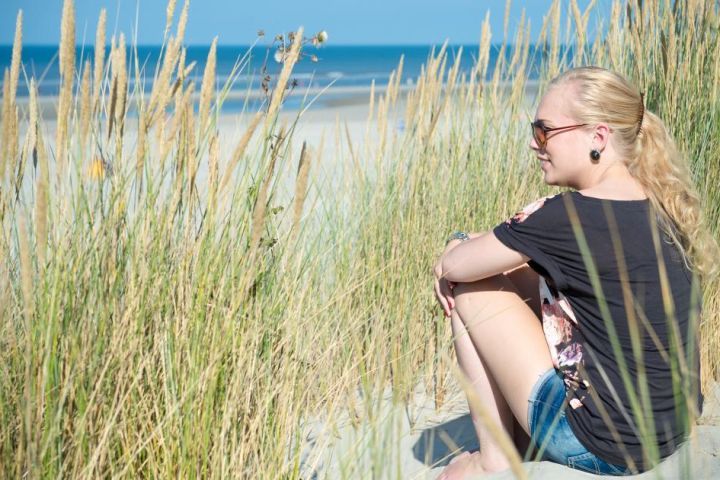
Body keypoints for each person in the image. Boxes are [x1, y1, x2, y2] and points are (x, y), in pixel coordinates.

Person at [432, 66, 716, 479]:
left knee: (469, 288)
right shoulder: (657, 205)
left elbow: (458, 266)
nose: (534, 143)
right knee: (530, 278)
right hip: (669, 433)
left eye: (545, 131)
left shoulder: (568, 216)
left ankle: (492, 459)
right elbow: (528, 262)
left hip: (600, 448)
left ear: (597, 138)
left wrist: (455, 242)